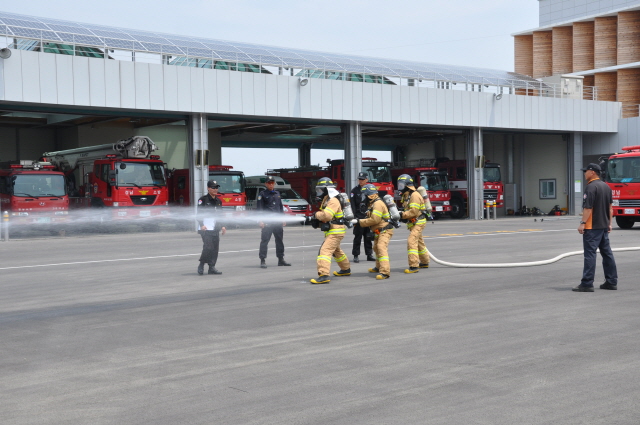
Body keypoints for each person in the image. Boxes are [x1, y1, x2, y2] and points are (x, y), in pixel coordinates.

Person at [573, 163, 618, 292]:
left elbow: (588, 208)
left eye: (585, 171)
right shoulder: (606, 187)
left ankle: (587, 283)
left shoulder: (591, 187)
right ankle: (611, 281)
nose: (584, 173)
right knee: (607, 254)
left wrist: (582, 223)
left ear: (592, 172)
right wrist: (609, 223)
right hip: (603, 226)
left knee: (590, 255)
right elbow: (610, 208)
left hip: (592, 227)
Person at [309, 177, 351, 284]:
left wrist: (316, 215)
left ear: (327, 189)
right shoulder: (328, 199)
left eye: (320, 190)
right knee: (336, 251)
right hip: (334, 230)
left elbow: (327, 216)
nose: (319, 192)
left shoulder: (333, 200)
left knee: (325, 251)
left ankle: (324, 275)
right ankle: (345, 269)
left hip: (335, 231)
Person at [353, 184, 394, 280]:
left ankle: (385, 272)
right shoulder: (373, 204)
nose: (363, 198)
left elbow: (375, 220)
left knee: (381, 248)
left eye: (364, 195)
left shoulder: (377, 204)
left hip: (385, 230)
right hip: (379, 230)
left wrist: (360, 222)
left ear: (369, 195)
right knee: (376, 248)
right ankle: (378, 267)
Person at [397, 174, 430, 273]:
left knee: (411, 241)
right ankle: (424, 262)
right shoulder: (407, 195)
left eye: (401, 185)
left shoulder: (414, 195)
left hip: (418, 221)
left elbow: (413, 212)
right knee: (419, 242)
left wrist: (402, 215)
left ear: (407, 185)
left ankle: (414, 266)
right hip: (413, 222)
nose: (400, 187)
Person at [257, 176, 291, 268]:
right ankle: (262, 260)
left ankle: (281, 259)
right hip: (267, 222)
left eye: (272, 183)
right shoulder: (262, 194)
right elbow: (259, 209)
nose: (271, 184)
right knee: (265, 241)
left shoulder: (277, 193)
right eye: (269, 183)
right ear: (266, 184)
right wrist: (261, 221)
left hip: (277, 222)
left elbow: (280, 207)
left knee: (279, 241)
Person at [196, 180, 226, 275]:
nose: (215, 189)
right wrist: (201, 225)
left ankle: (211, 267)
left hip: (215, 228)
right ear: (208, 188)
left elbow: (220, 215)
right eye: (213, 187)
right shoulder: (203, 200)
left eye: (216, 187)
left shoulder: (218, 201)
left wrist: (223, 226)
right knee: (208, 247)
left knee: (215, 248)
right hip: (205, 228)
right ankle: (201, 264)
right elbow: (199, 214)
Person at [350, 172, 375, 263]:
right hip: (358, 217)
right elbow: (352, 205)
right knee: (357, 237)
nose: (360, 181)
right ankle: (356, 255)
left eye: (362, 179)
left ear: (366, 180)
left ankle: (369, 254)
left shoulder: (370, 190)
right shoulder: (354, 191)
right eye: (359, 179)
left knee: (368, 236)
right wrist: (354, 217)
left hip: (367, 217)